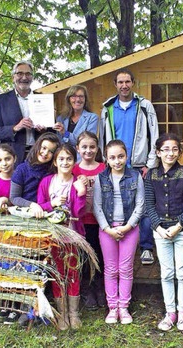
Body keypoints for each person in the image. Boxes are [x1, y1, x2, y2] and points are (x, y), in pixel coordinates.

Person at [99, 68, 159, 266]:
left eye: (127, 81)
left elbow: (154, 134)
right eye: (120, 82)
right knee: (120, 203)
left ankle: (147, 247)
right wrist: (105, 163)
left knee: (144, 205)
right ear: (115, 84)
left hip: (139, 165)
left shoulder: (144, 105)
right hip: (115, 163)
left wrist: (150, 164)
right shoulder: (107, 107)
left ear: (133, 83)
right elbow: (103, 139)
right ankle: (122, 243)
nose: (124, 85)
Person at [144, 133, 183, 332]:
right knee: (167, 272)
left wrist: (178, 226)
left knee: (182, 272)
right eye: (166, 149)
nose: (170, 153)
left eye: (175, 149)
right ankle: (170, 312)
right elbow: (149, 205)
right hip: (161, 232)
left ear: (179, 152)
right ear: (158, 152)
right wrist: (158, 227)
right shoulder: (151, 175)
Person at [5, 132, 59, 325]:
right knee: (25, 264)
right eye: (43, 148)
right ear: (37, 146)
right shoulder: (22, 169)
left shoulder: (52, 173)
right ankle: (22, 306)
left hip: (45, 221)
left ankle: (38, 308)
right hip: (25, 220)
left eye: (51, 151)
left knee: (42, 265)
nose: (45, 153)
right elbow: (14, 197)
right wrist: (32, 205)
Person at [92, 140, 145, 325]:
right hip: (107, 229)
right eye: (112, 157)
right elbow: (96, 206)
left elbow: (140, 205)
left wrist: (127, 227)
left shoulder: (135, 176)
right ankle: (112, 307)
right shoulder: (101, 178)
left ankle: (124, 306)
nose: (117, 161)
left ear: (126, 156)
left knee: (125, 268)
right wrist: (108, 229)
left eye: (120, 156)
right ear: (106, 158)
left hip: (128, 228)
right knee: (111, 269)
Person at [36, 143, 87, 330]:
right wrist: (52, 203)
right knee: (58, 275)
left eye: (69, 159)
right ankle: (62, 313)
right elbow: (39, 207)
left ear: (75, 161)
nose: (65, 162)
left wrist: (81, 192)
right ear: (55, 162)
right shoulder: (47, 182)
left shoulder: (77, 182)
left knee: (73, 273)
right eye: (61, 159)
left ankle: (74, 313)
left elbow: (80, 213)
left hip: (72, 236)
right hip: (53, 238)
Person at [72, 131, 106, 310]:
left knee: (100, 257)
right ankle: (87, 290)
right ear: (78, 148)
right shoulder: (74, 169)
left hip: (100, 221)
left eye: (92, 147)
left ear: (97, 148)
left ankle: (100, 289)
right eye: (84, 147)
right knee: (84, 257)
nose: (88, 150)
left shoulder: (103, 168)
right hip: (81, 222)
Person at [0, 60, 47, 163]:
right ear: (13, 77)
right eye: (20, 73)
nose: (24, 77)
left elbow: (52, 132)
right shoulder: (1, 101)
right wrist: (15, 128)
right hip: (12, 158)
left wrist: (44, 129)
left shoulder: (43, 99)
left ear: (32, 77)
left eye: (28, 74)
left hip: (39, 156)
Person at [53, 85, 99, 149]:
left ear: (85, 99)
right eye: (74, 96)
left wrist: (65, 133)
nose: (77, 99)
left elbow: (87, 143)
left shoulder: (92, 118)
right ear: (68, 99)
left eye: (81, 96)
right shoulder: (61, 118)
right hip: (64, 157)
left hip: (82, 158)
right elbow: (59, 142)